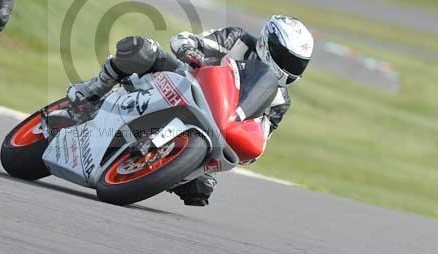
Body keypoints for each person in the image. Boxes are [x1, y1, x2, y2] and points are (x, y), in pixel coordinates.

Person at [67, 15, 314, 206]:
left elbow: (259, 141)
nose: (289, 68)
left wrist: (250, 145)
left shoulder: (280, 101)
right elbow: (186, 40)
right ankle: (91, 91)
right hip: (183, 83)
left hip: (213, 130)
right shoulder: (237, 40)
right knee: (141, 49)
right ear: (266, 42)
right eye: (285, 57)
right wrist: (190, 50)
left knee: (202, 188)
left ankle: (160, 167)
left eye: (297, 64)